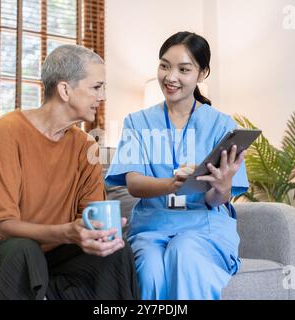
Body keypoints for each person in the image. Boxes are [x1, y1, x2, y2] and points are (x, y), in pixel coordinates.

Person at [0, 44, 140, 300]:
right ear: (65, 90)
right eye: (96, 87)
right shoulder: (8, 130)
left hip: (48, 255)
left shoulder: (85, 145)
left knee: (115, 253)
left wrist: (100, 235)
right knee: (24, 251)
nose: (103, 96)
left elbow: (90, 219)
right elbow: (2, 229)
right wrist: (67, 231)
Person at [105, 31, 249, 300]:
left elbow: (218, 199)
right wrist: (173, 184)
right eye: (164, 66)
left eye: (184, 69)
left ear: (202, 73)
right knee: (149, 271)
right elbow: (134, 184)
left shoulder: (222, 125)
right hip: (152, 227)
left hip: (203, 227)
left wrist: (222, 185)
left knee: (184, 252)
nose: (170, 77)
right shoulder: (138, 122)